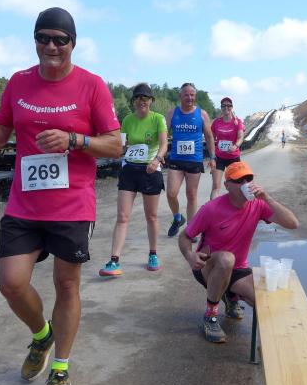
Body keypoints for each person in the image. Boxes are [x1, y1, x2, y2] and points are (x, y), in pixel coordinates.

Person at [0, 7, 121, 385]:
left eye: (60, 39)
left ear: (73, 43)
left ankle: (60, 368)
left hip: (72, 204)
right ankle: (42, 335)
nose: (52, 46)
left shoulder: (92, 85)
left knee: (67, 284)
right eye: (43, 38)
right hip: (25, 202)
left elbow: (115, 144)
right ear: (35, 41)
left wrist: (75, 140)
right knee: (11, 283)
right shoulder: (19, 82)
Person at [178, 161, 299, 343]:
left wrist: (267, 198)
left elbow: (293, 224)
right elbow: (184, 236)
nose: (245, 184)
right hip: (209, 266)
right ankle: (210, 316)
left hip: (238, 269)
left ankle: (230, 296)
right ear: (227, 185)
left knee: (264, 301)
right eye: (239, 180)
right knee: (227, 259)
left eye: (248, 179)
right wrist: (190, 256)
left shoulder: (258, 204)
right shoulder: (211, 209)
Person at [99, 83, 168, 276]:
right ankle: (114, 261)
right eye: (137, 98)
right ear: (133, 101)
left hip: (150, 170)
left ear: (151, 100)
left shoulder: (158, 119)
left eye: (145, 98)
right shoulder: (128, 120)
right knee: (122, 216)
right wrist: (107, 147)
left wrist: (157, 160)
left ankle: (153, 254)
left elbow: (164, 144)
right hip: (129, 169)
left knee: (151, 216)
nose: (141, 101)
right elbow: (121, 146)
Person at [165, 82, 215, 236]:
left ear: (195, 96)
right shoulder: (172, 113)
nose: (189, 98)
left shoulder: (202, 114)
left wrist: (213, 157)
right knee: (171, 193)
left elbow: (209, 136)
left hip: (194, 160)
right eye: (186, 94)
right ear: (180, 95)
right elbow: (163, 134)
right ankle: (177, 218)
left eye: (192, 95)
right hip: (176, 159)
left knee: (191, 195)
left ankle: (191, 230)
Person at [209, 96, 245, 199]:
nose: (226, 107)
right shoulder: (216, 122)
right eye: (223, 106)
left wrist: (235, 146)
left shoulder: (237, 122)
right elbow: (210, 139)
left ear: (232, 107)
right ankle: (212, 207)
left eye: (228, 105)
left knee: (237, 185)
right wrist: (212, 157)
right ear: (221, 107)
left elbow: (241, 137)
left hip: (233, 157)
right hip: (219, 157)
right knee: (215, 186)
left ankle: (237, 205)